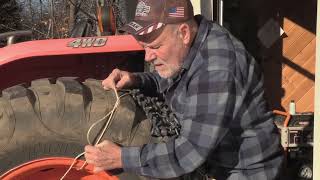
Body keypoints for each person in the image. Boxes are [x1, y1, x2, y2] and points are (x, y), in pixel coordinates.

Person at [84, 0, 284, 179]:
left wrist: (121, 158)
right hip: (215, 163)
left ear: (184, 33)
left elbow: (189, 153)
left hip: (246, 171)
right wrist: (136, 79)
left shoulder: (217, 67)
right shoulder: (193, 44)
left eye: (154, 46)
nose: (147, 57)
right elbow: (176, 81)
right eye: (144, 47)